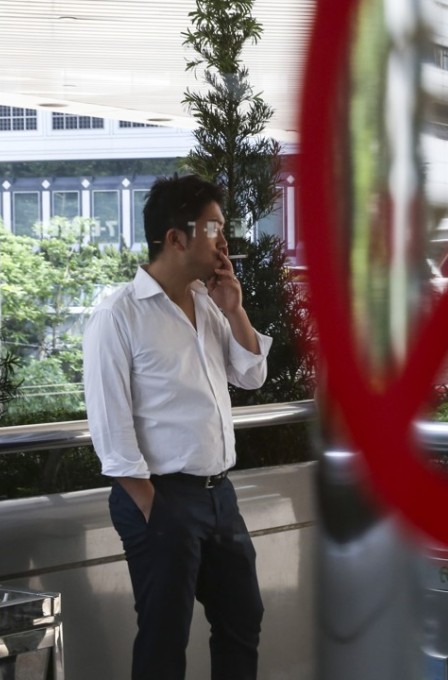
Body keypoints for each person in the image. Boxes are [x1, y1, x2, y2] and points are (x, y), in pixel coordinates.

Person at [83, 174, 272, 680]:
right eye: (213, 229)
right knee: (165, 640)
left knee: (242, 617)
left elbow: (251, 375)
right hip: (161, 497)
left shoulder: (209, 303)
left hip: (218, 495)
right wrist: (151, 505)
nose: (224, 242)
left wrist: (236, 310)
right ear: (175, 238)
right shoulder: (117, 315)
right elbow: (110, 427)